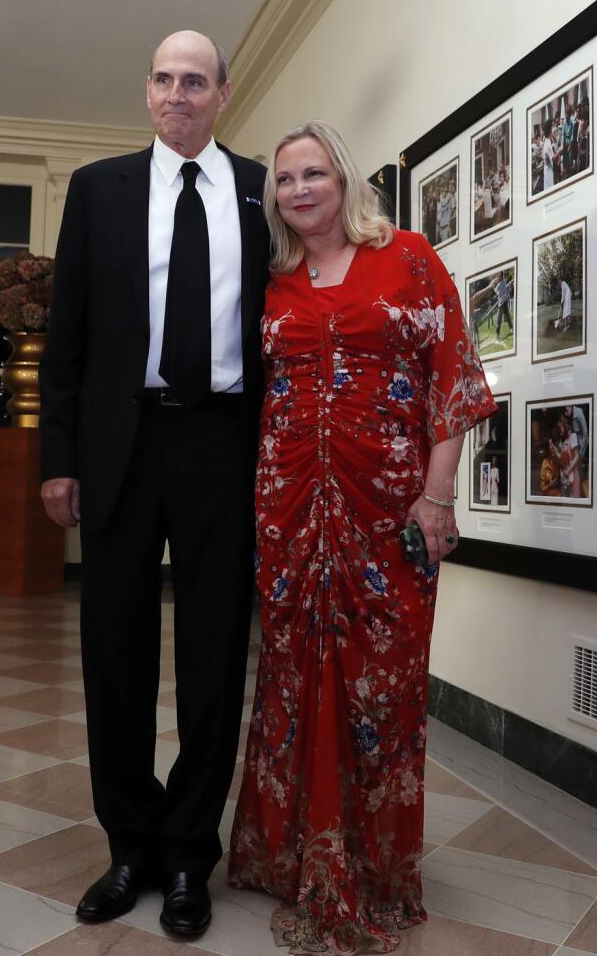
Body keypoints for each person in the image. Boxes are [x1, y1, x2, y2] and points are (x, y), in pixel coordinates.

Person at [228, 121, 495, 954]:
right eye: (284, 180)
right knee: (292, 673)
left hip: (387, 513)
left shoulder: (407, 258)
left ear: (344, 180)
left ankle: (372, 868)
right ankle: (290, 855)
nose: (299, 190)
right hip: (289, 510)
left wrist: (436, 496)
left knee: (381, 686)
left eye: (314, 174)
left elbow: (453, 377)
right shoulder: (271, 280)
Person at [38, 29, 270, 939]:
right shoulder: (98, 189)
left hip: (224, 446)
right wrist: (59, 455)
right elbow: (67, 336)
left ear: (221, 93)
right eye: (164, 81)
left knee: (213, 657)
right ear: (147, 92)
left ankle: (187, 857)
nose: (178, 95)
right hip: (120, 446)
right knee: (116, 653)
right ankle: (128, 844)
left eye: (196, 82)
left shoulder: (259, 191)